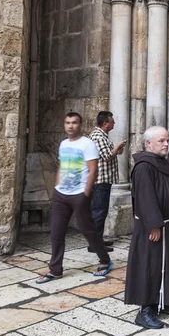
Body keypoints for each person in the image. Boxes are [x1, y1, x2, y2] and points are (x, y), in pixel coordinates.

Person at [125, 126, 169, 329]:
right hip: (153, 227)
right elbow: (145, 198)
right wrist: (154, 225)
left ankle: (161, 298)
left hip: (168, 224)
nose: (166, 144)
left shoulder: (162, 163)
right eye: (161, 141)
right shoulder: (144, 166)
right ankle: (145, 310)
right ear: (148, 143)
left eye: (167, 140)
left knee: (164, 263)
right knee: (150, 265)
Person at [36, 112, 113, 284]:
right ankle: (55, 269)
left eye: (74, 122)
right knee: (56, 232)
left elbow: (93, 170)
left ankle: (105, 260)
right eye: (68, 122)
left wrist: (85, 194)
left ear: (81, 124)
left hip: (79, 194)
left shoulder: (87, 144)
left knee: (88, 230)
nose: (70, 126)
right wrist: (56, 188)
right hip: (61, 195)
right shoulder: (63, 144)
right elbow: (61, 167)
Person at [88, 111, 127, 253]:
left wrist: (116, 150)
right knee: (99, 211)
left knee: (100, 211)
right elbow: (107, 156)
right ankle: (94, 245)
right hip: (100, 180)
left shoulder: (100, 136)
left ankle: (97, 240)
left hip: (103, 180)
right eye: (112, 121)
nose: (114, 123)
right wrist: (117, 147)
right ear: (105, 123)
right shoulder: (98, 136)